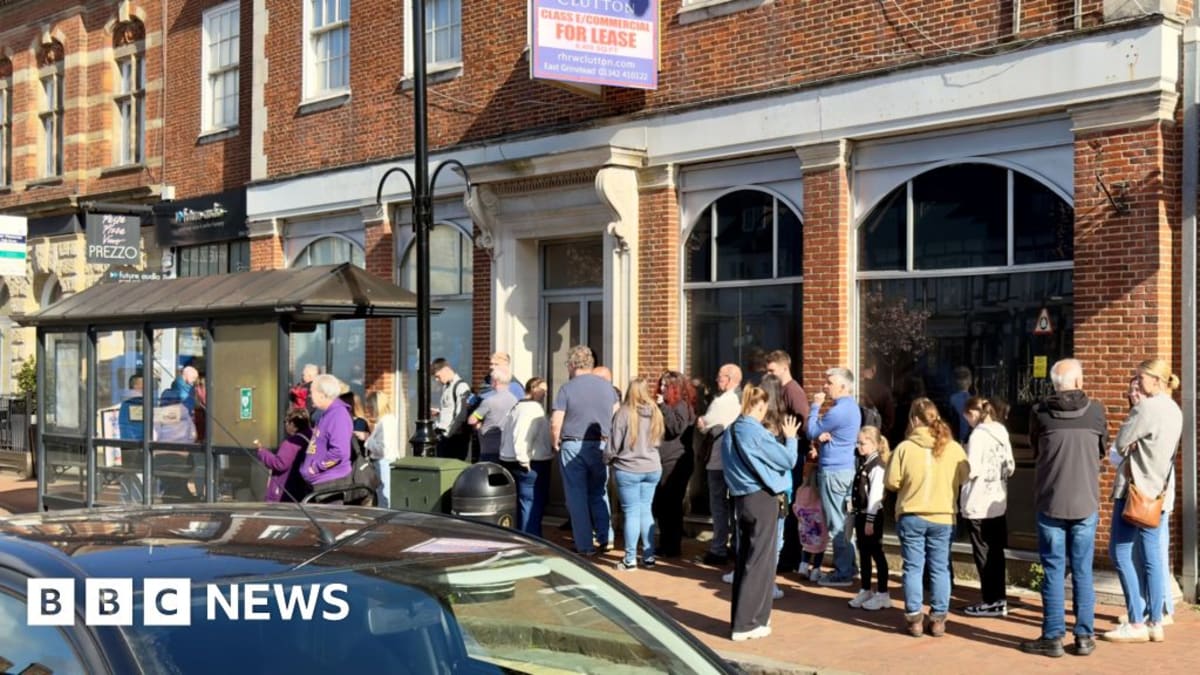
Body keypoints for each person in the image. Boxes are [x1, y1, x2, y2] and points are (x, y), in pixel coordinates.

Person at [1020, 358, 1107, 658]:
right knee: (1082, 571)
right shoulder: (1096, 412)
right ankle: (1084, 636)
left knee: (1053, 571)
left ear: (1054, 385)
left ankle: (1053, 636)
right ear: (1079, 382)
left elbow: (1035, 449)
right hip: (1085, 502)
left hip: (1051, 501)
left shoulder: (1040, 413)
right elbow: (1101, 450)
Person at [1103, 358, 1182, 644]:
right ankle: (1156, 621)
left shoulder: (1146, 408)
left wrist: (1131, 445)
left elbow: (1121, 443)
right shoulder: (1174, 410)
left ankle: (1136, 621)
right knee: (1153, 557)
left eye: (1141, 377)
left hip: (1133, 491)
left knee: (1120, 551)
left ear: (1155, 380)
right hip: (1157, 492)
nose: (1137, 382)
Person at [885, 398, 969, 638]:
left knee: (913, 567)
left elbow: (892, 482)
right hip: (943, 515)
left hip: (912, 513)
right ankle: (939, 618)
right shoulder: (953, 448)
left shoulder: (904, 448)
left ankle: (914, 619)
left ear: (914, 420)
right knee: (940, 567)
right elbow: (964, 476)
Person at [722, 385, 800, 642]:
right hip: (761, 498)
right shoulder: (754, 431)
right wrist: (791, 438)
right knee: (760, 561)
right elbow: (788, 460)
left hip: (741, 498)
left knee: (747, 558)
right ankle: (749, 623)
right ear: (761, 406)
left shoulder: (731, 430)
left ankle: (746, 619)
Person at [551, 345, 619, 556]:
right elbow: (617, 418)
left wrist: (555, 441)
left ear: (572, 365)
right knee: (599, 492)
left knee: (576, 496)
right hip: (601, 444)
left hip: (573, 444)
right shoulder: (608, 388)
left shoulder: (567, 389)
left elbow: (556, 421)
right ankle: (606, 537)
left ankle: (584, 545)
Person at [805, 367, 862, 587]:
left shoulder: (837, 411)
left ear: (843, 386)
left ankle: (843, 573)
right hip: (845, 469)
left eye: (830, 383)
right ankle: (850, 566)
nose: (825, 386)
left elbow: (811, 431)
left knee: (836, 523)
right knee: (844, 522)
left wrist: (815, 407)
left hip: (833, 471)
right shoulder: (852, 408)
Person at [959, 396, 1015, 618]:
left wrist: (961, 459)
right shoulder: (1001, 431)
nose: (968, 422)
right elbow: (1010, 466)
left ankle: (990, 600)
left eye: (967, 417)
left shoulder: (977, 435)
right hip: (998, 500)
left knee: (982, 552)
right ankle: (999, 598)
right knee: (996, 552)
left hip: (978, 501)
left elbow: (971, 470)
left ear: (973, 413)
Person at [607, 377, 664, 571]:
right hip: (652, 466)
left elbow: (613, 444)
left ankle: (630, 559)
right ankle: (648, 556)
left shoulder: (623, 413)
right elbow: (659, 440)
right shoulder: (656, 412)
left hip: (628, 468)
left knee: (631, 512)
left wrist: (607, 459)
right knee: (645, 510)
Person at [765, 350, 809, 574]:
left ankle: (789, 556)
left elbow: (804, 420)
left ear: (784, 368)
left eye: (772, 370)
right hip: (785, 450)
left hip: (793, 451)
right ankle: (786, 555)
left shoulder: (793, 391)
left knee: (789, 504)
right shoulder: (780, 390)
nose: (769, 374)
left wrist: (801, 443)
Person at [697, 364, 743, 566]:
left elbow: (704, 423)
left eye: (720, 377)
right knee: (734, 507)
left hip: (718, 460)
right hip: (735, 462)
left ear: (730, 379)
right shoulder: (743, 399)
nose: (717, 380)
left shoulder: (723, 401)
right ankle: (735, 546)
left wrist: (702, 423)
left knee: (718, 506)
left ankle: (718, 549)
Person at [499, 377, 554, 537]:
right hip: (532, 463)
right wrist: (523, 459)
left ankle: (524, 536)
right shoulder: (532, 408)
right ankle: (530, 539)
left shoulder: (516, 407)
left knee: (523, 503)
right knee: (531, 503)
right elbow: (521, 434)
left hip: (511, 460)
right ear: (534, 389)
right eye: (543, 390)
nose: (545, 394)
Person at [654, 370, 696, 558]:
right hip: (665, 460)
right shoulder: (670, 406)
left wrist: (663, 407)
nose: (661, 389)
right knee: (663, 505)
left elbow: (675, 428)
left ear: (675, 388)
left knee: (671, 506)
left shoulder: (681, 406)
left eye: (666, 386)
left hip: (675, 462)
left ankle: (671, 547)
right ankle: (666, 544)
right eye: (661, 385)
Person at [849, 425, 892, 611]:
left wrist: (870, 520)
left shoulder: (877, 465)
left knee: (876, 552)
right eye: (858, 443)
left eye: (863, 443)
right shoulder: (865, 463)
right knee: (864, 554)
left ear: (874, 444)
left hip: (871, 514)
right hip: (862, 513)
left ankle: (883, 593)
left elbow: (875, 495)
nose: (859, 446)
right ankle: (865, 589)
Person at [302, 374, 354, 489]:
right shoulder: (327, 414)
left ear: (322, 395)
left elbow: (339, 452)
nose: (309, 396)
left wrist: (315, 468)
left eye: (312, 392)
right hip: (322, 481)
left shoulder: (338, 415)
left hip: (331, 483)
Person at [256, 408, 313, 503]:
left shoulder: (291, 443)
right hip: (302, 490)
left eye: (285, 422)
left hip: (285, 492)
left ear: (292, 424)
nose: (285, 425)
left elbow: (280, 464)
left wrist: (262, 452)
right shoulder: (311, 438)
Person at [470, 366, 519, 463]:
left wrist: (478, 427)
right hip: (507, 449)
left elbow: (472, 420)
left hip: (489, 447)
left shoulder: (489, 401)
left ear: (495, 382)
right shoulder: (515, 400)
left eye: (491, 380)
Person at [364, 391, 400, 508]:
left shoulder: (386, 422)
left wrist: (367, 439)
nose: (368, 410)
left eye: (370, 407)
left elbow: (382, 449)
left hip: (384, 462)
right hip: (383, 462)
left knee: (384, 497)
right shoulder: (386, 420)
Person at [431, 358, 472, 460]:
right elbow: (451, 409)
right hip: (444, 435)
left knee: (452, 467)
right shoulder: (446, 386)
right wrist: (439, 413)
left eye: (438, 376)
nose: (437, 380)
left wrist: (448, 434)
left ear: (446, 369)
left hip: (454, 438)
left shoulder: (461, 387)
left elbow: (461, 415)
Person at [794, 464, 828, 582]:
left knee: (806, 546)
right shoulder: (820, 492)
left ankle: (803, 566)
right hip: (819, 526)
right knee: (820, 548)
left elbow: (796, 507)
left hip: (804, 524)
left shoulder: (800, 490)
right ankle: (816, 570)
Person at [861, 358, 896, 439]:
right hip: (877, 437)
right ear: (874, 369)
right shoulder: (883, 391)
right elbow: (889, 421)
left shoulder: (854, 388)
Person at [949, 367, 973, 443]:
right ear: (970, 382)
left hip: (957, 439)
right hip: (969, 439)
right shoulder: (974, 400)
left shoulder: (952, 399)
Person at [118, 374, 145, 441]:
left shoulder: (145, 403)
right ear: (135, 386)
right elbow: (125, 428)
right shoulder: (128, 404)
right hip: (135, 443)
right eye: (143, 384)